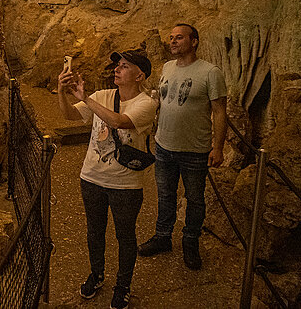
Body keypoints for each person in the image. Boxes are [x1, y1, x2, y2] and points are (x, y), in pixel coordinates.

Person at [58, 50, 158, 309]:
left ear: (140, 75)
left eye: (125, 66)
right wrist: (62, 91)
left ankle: (123, 286)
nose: (117, 69)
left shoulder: (146, 104)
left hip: (125, 184)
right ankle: (97, 274)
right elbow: (69, 115)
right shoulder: (103, 96)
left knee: (125, 236)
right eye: (117, 65)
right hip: (91, 177)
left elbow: (118, 121)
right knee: (94, 232)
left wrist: (86, 99)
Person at [138, 23, 227, 270]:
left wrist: (217, 147)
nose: (173, 42)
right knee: (165, 195)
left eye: (179, 38)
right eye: (171, 38)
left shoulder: (210, 72)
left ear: (194, 41)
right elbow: (163, 98)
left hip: (195, 150)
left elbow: (220, 112)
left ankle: (190, 242)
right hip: (164, 146)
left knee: (195, 199)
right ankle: (163, 236)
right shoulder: (167, 67)